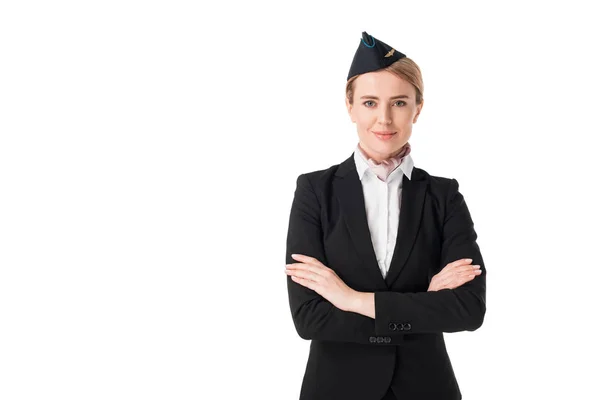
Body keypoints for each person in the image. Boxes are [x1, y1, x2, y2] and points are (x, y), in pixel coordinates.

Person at [284, 31, 486, 400]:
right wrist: (422, 302)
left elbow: (468, 309)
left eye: (399, 103)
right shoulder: (315, 191)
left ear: (418, 108)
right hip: (335, 388)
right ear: (350, 107)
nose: (384, 119)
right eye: (370, 102)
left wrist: (350, 299)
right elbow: (309, 318)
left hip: (427, 388)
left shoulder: (444, 196)